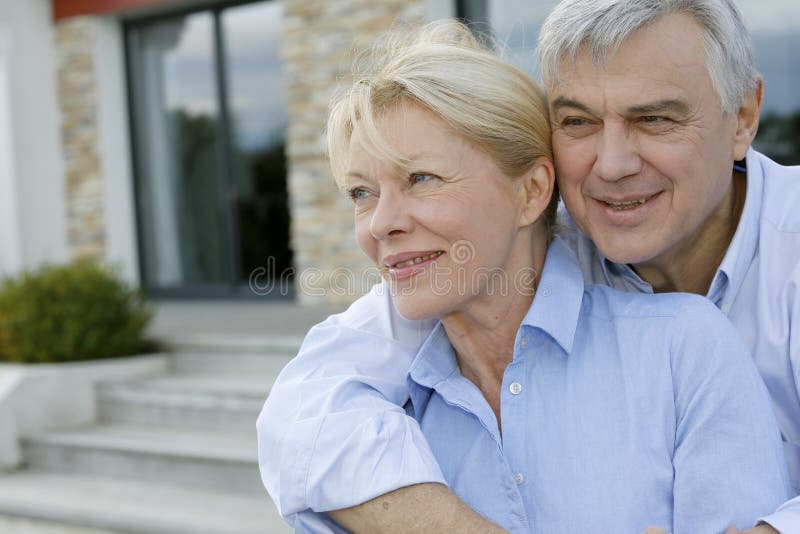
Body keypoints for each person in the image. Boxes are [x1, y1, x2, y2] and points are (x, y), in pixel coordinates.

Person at [258, 1, 800, 532]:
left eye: (655, 119)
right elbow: (302, 412)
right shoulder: (491, 268)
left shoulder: (692, 336)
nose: (611, 166)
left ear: (744, 117)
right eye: (577, 121)